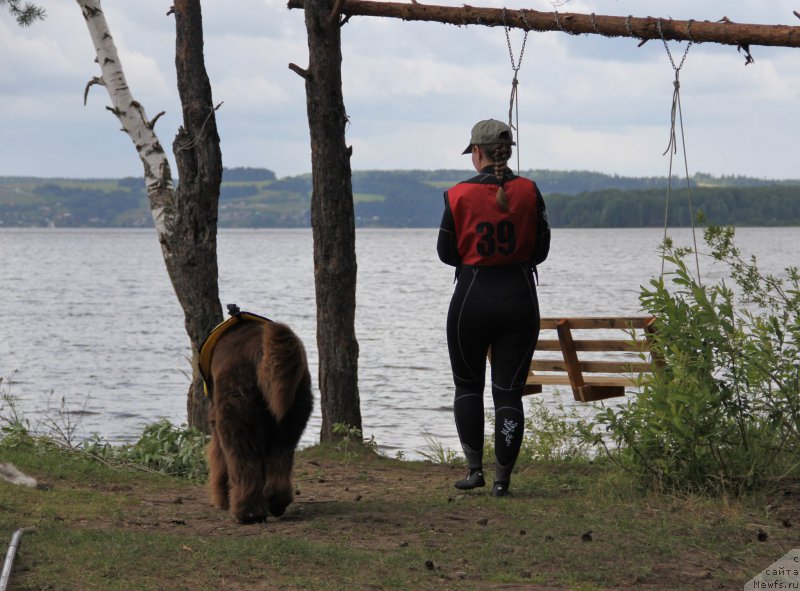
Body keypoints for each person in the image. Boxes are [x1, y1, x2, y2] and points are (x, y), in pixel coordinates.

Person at [437, 119, 550, 498]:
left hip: (471, 298)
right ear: (508, 152)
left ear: (477, 153)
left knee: (468, 386)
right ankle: (502, 480)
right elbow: (541, 251)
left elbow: (445, 253)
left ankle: (474, 470)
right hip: (519, 299)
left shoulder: (457, 195)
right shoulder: (530, 191)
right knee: (508, 393)